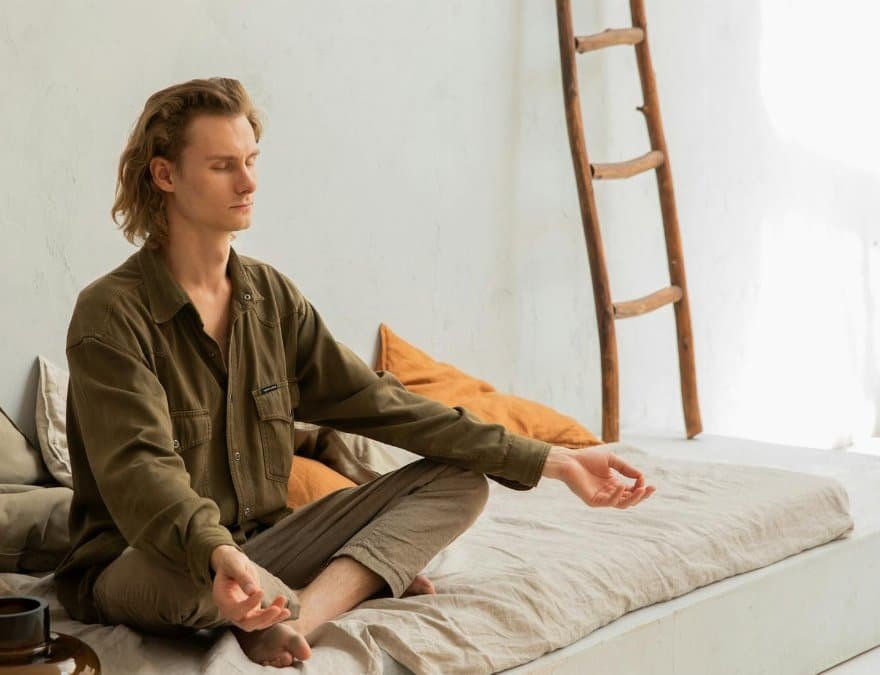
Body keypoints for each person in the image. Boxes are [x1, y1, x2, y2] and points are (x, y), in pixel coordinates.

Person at [54, 77, 656, 668]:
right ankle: (327, 582)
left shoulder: (270, 299)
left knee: (460, 483)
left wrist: (555, 461)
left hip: (263, 547)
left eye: (252, 160)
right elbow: (142, 473)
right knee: (193, 584)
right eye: (222, 166)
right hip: (141, 560)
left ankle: (300, 616)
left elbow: (382, 404)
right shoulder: (110, 314)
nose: (249, 182)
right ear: (165, 175)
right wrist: (215, 553)